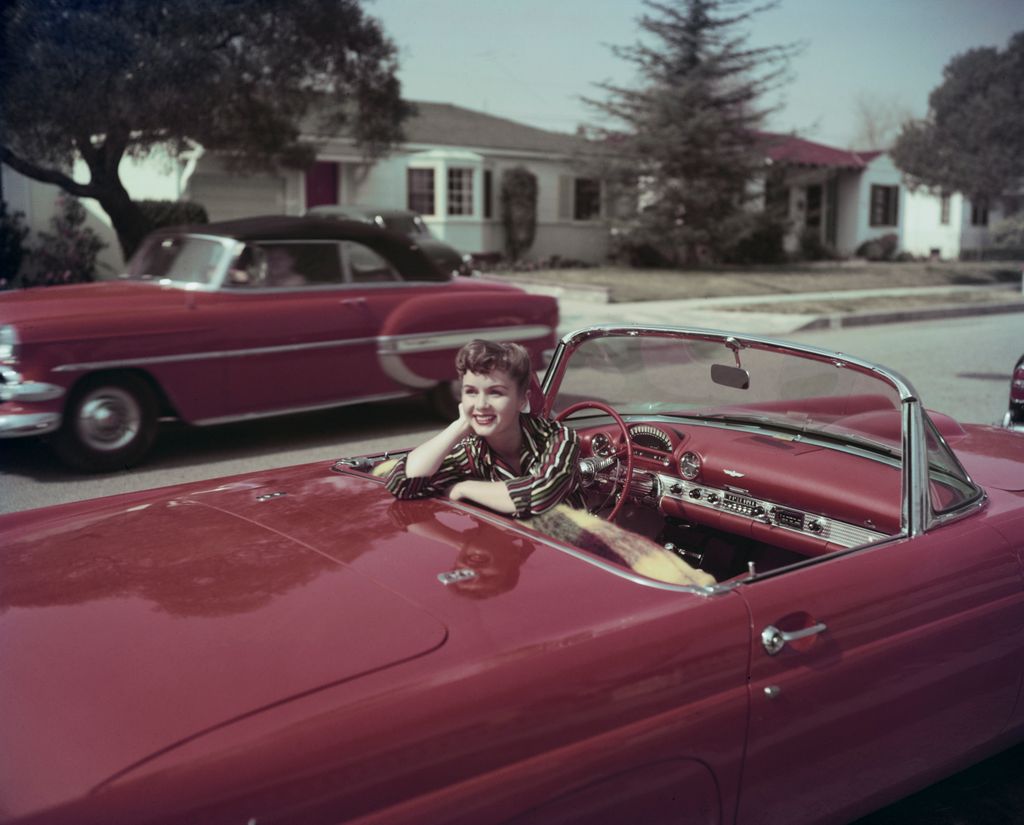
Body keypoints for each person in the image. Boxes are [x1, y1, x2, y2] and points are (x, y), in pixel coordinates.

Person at [386, 339, 585, 517]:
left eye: (495, 393)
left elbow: (539, 495)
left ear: (522, 399)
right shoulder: (472, 450)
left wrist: (464, 488)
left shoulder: (559, 437)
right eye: (471, 392)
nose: (481, 404)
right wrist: (460, 425)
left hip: (573, 548)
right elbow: (402, 483)